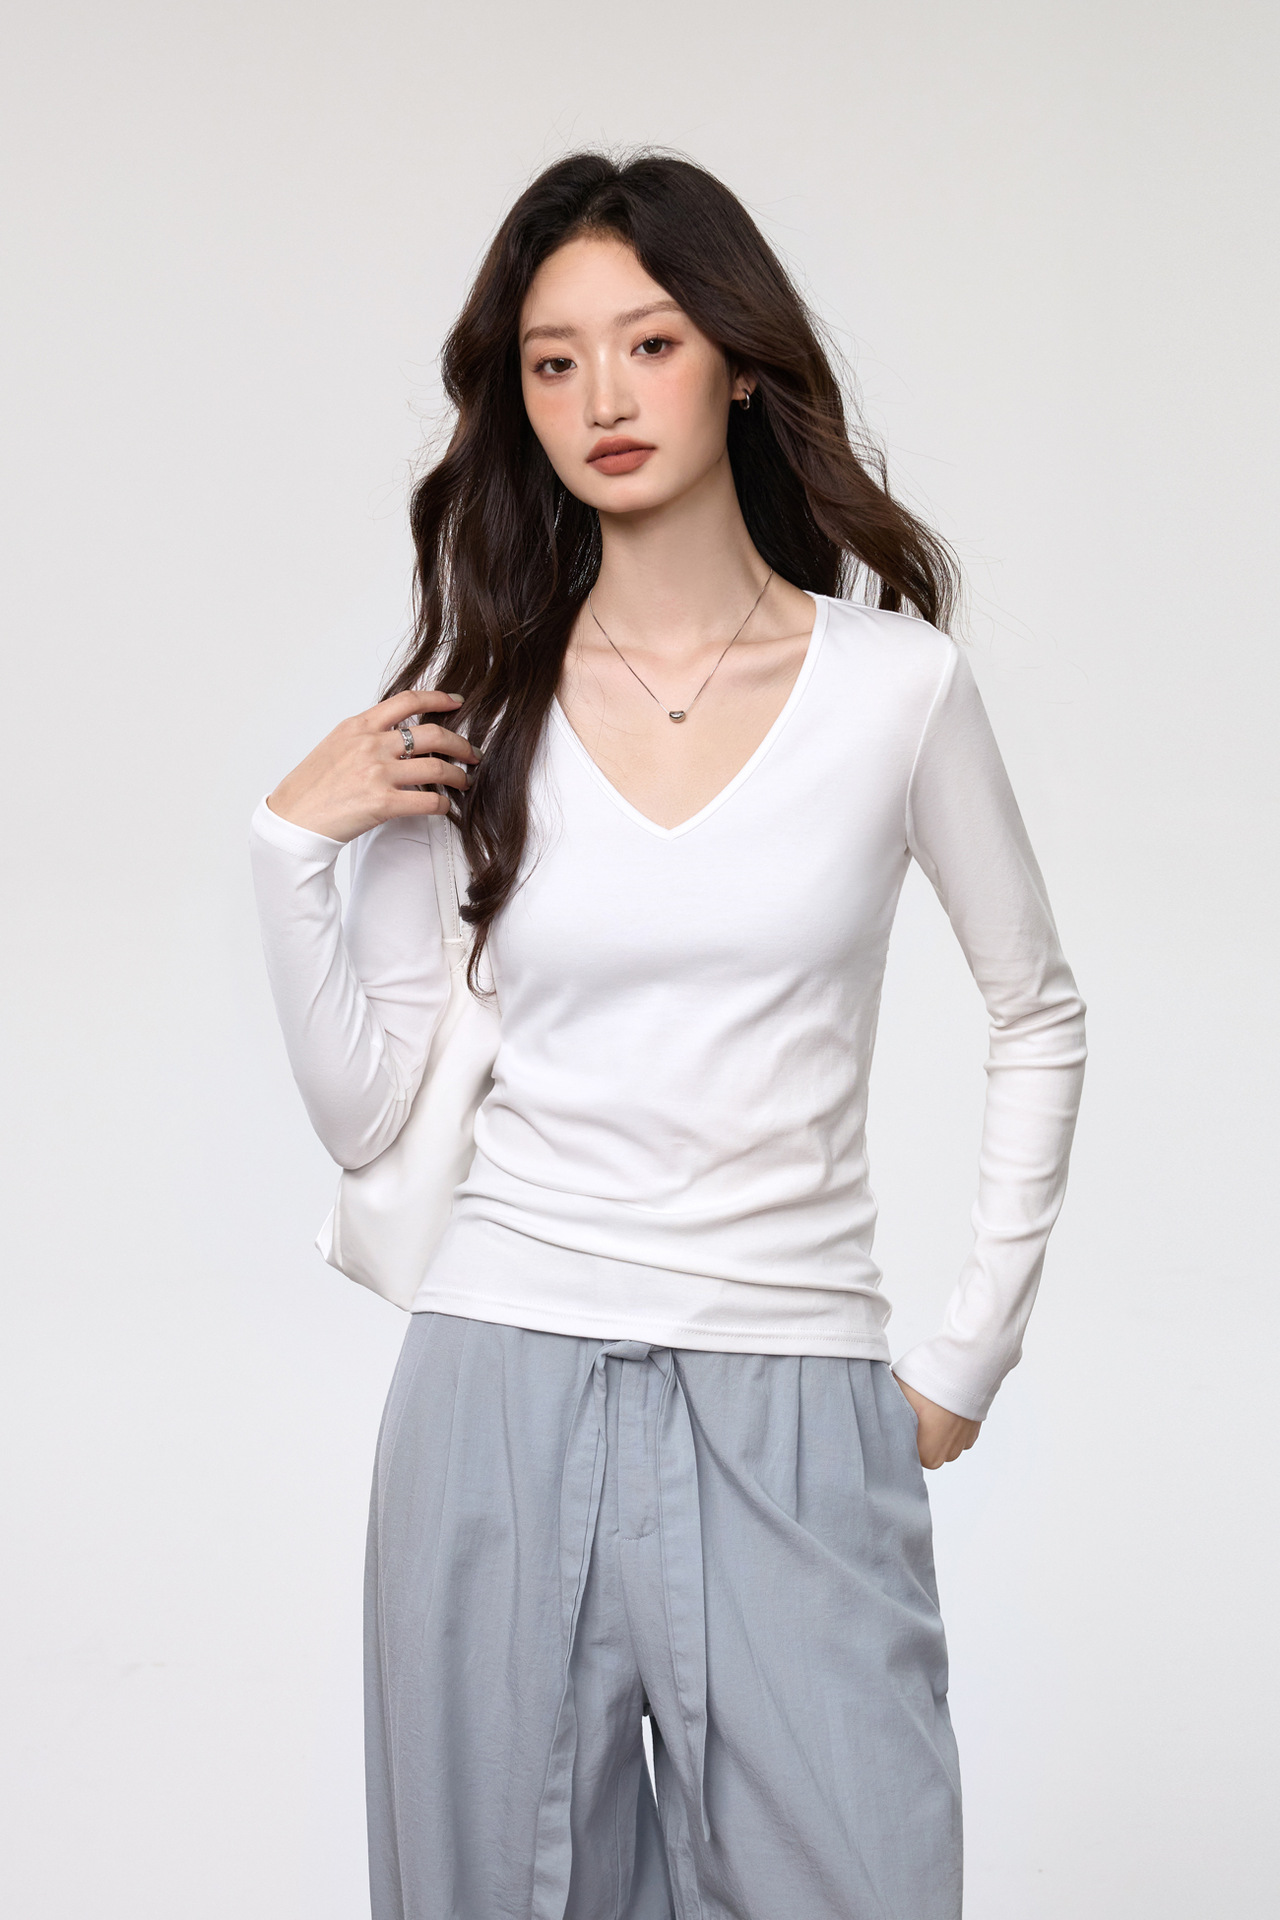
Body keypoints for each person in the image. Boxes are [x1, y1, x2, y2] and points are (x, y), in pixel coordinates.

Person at [249, 152, 1086, 1920]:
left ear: (739, 363)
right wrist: (287, 850)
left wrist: (967, 1355)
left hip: (791, 1384)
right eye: (552, 362)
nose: (603, 400)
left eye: (648, 343)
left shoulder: (895, 689)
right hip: (497, 1382)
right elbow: (367, 1113)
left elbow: (1037, 1008)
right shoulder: (481, 710)